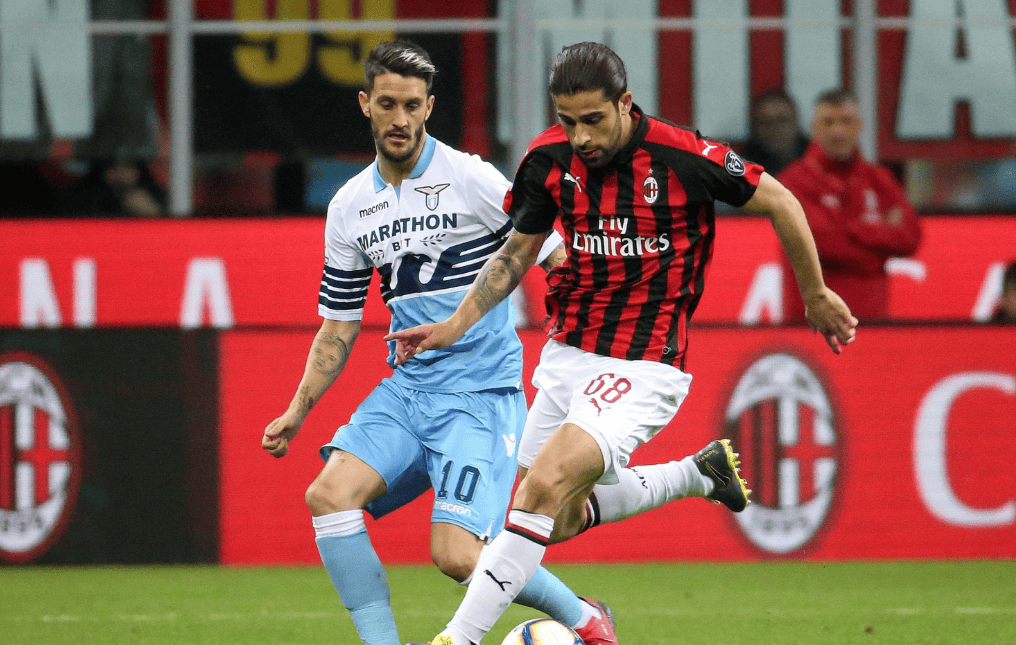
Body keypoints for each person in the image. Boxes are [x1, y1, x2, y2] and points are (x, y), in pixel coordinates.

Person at [386, 42, 858, 645]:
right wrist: (456, 325)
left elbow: (781, 200)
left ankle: (457, 639)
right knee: (553, 518)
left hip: (645, 361)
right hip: (568, 353)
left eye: (593, 119)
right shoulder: (547, 160)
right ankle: (696, 475)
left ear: (625, 103)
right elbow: (517, 253)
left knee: (541, 487)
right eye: (568, 121)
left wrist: (814, 292)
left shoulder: (683, 156)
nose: (580, 137)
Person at [260, 40, 620, 645]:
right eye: (387, 104)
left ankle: (583, 617)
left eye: (412, 105)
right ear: (365, 104)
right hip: (408, 391)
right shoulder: (349, 206)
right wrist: (298, 410)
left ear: (429, 107)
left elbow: (552, 255)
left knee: (456, 557)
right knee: (328, 496)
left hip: (479, 396)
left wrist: (587, 344)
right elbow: (339, 324)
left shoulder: (471, 176)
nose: (399, 119)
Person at [777, 88, 922, 322]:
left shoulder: (879, 179)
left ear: (860, 126)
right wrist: (879, 250)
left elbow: (910, 237)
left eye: (846, 121)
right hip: (813, 325)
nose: (838, 131)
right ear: (813, 128)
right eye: (828, 122)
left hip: (873, 323)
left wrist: (854, 230)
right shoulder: (793, 182)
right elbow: (822, 245)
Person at [741, 87, 809, 176]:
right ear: (756, 127)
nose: (775, 128)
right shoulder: (744, 166)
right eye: (767, 122)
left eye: (782, 120)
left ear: (796, 122)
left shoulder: (813, 157)